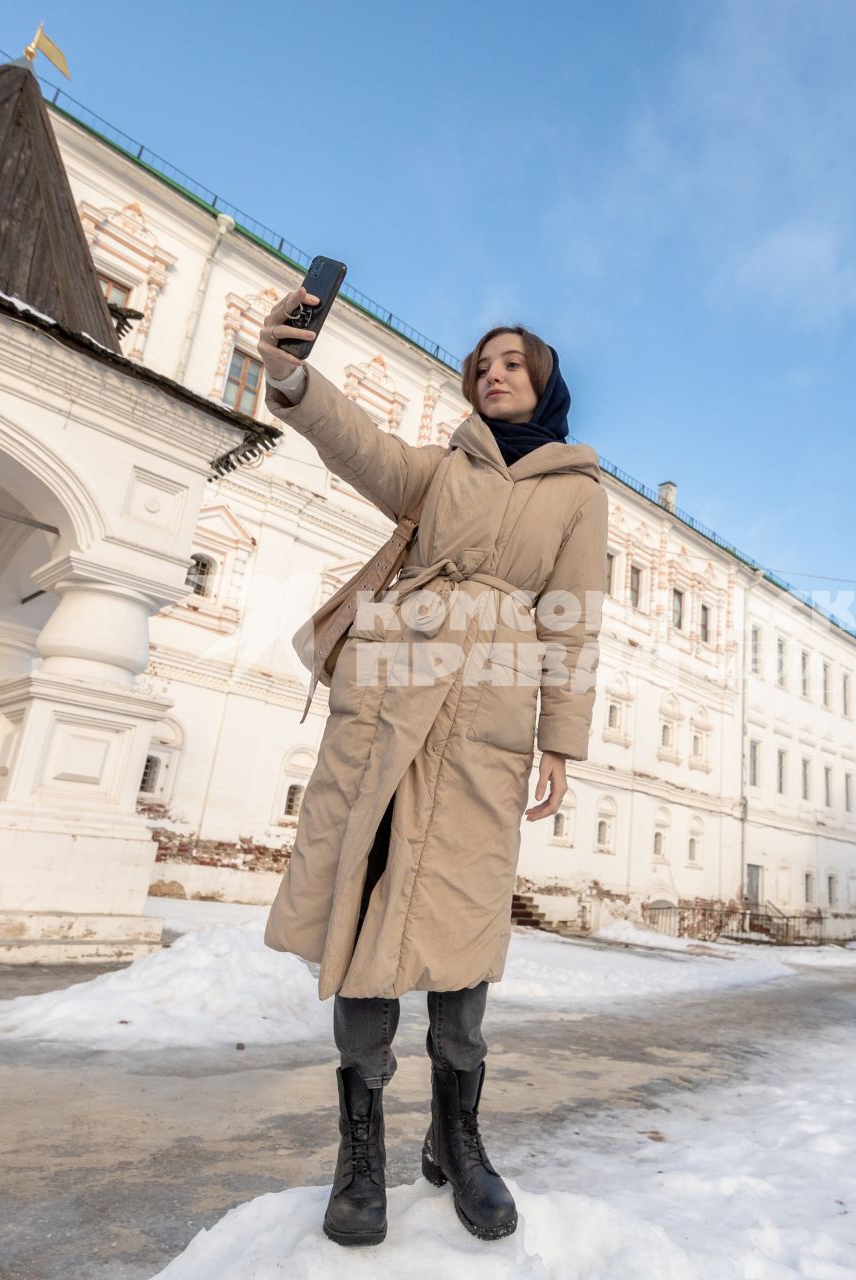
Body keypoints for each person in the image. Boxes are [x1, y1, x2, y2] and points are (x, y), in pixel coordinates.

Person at [253, 286, 610, 1247]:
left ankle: (458, 1139)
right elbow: (360, 447)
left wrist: (562, 744)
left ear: (542, 381)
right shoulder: (443, 468)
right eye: (480, 364)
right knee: (369, 903)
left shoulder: (580, 493)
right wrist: (292, 375)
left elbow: (573, 620)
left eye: (510, 363)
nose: (491, 373)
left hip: (487, 716)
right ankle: (359, 1151)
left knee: (460, 914)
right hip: (388, 694)